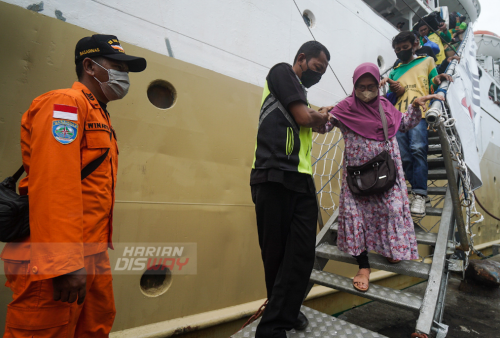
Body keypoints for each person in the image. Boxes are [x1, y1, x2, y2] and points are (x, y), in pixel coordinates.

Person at [0, 34, 146, 337]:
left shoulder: (98, 113)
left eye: (126, 69)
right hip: (57, 259)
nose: (124, 75)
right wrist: (63, 263)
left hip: (90, 255)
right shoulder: (65, 104)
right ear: (90, 66)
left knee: (95, 328)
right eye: (117, 65)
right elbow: (55, 184)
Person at [318, 63, 444, 292]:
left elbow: (404, 124)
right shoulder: (344, 108)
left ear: (378, 85)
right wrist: (320, 114)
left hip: (387, 172)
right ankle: (363, 267)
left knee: (393, 209)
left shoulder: (385, 105)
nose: (366, 91)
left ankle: (390, 249)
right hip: (357, 178)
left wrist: (415, 107)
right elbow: (324, 126)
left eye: (371, 86)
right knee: (357, 218)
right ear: (354, 87)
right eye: (361, 87)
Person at [250, 40, 331, 337]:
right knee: (275, 254)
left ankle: (284, 310)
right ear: (301, 59)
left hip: (300, 179)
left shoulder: (300, 95)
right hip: (272, 175)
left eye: (323, 72)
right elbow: (303, 118)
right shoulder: (282, 72)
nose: (318, 74)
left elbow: (310, 121)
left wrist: (319, 119)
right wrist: (318, 117)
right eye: (317, 68)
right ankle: (275, 324)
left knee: (300, 253)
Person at [381, 31, 452, 217]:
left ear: (415, 45)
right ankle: (419, 192)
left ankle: (419, 194)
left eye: (405, 47)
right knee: (404, 157)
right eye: (398, 49)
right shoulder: (394, 71)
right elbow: (389, 98)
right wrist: (395, 91)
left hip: (419, 113)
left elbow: (433, 83)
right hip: (398, 116)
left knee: (418, 149)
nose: (401, 51)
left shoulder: (427, 61)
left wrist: (438, 79)